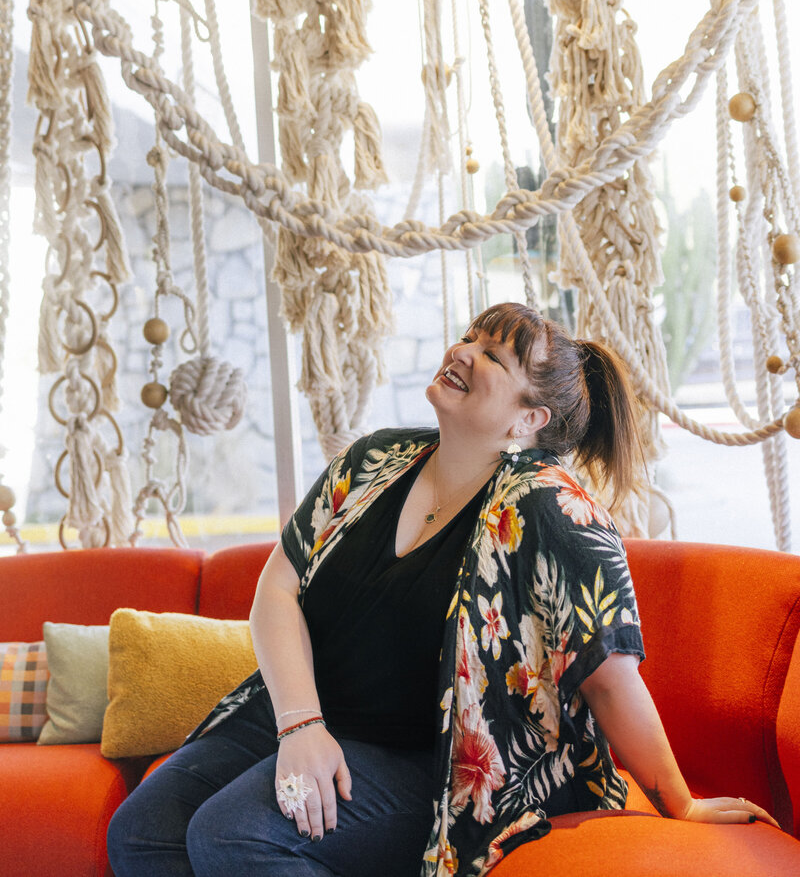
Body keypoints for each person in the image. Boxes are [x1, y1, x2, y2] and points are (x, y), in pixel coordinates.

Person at [107, 302, 779, 877]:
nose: (463, 351)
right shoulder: (372, 459)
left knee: (231, 831)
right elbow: (276, 592)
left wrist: (680, 800)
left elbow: (608, 674)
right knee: (139, 831)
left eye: (492, 355)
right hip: (301, 713)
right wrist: (302, 725)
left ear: (528, 419)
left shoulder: (547, 507)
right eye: (469, 337)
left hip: (434, 762)